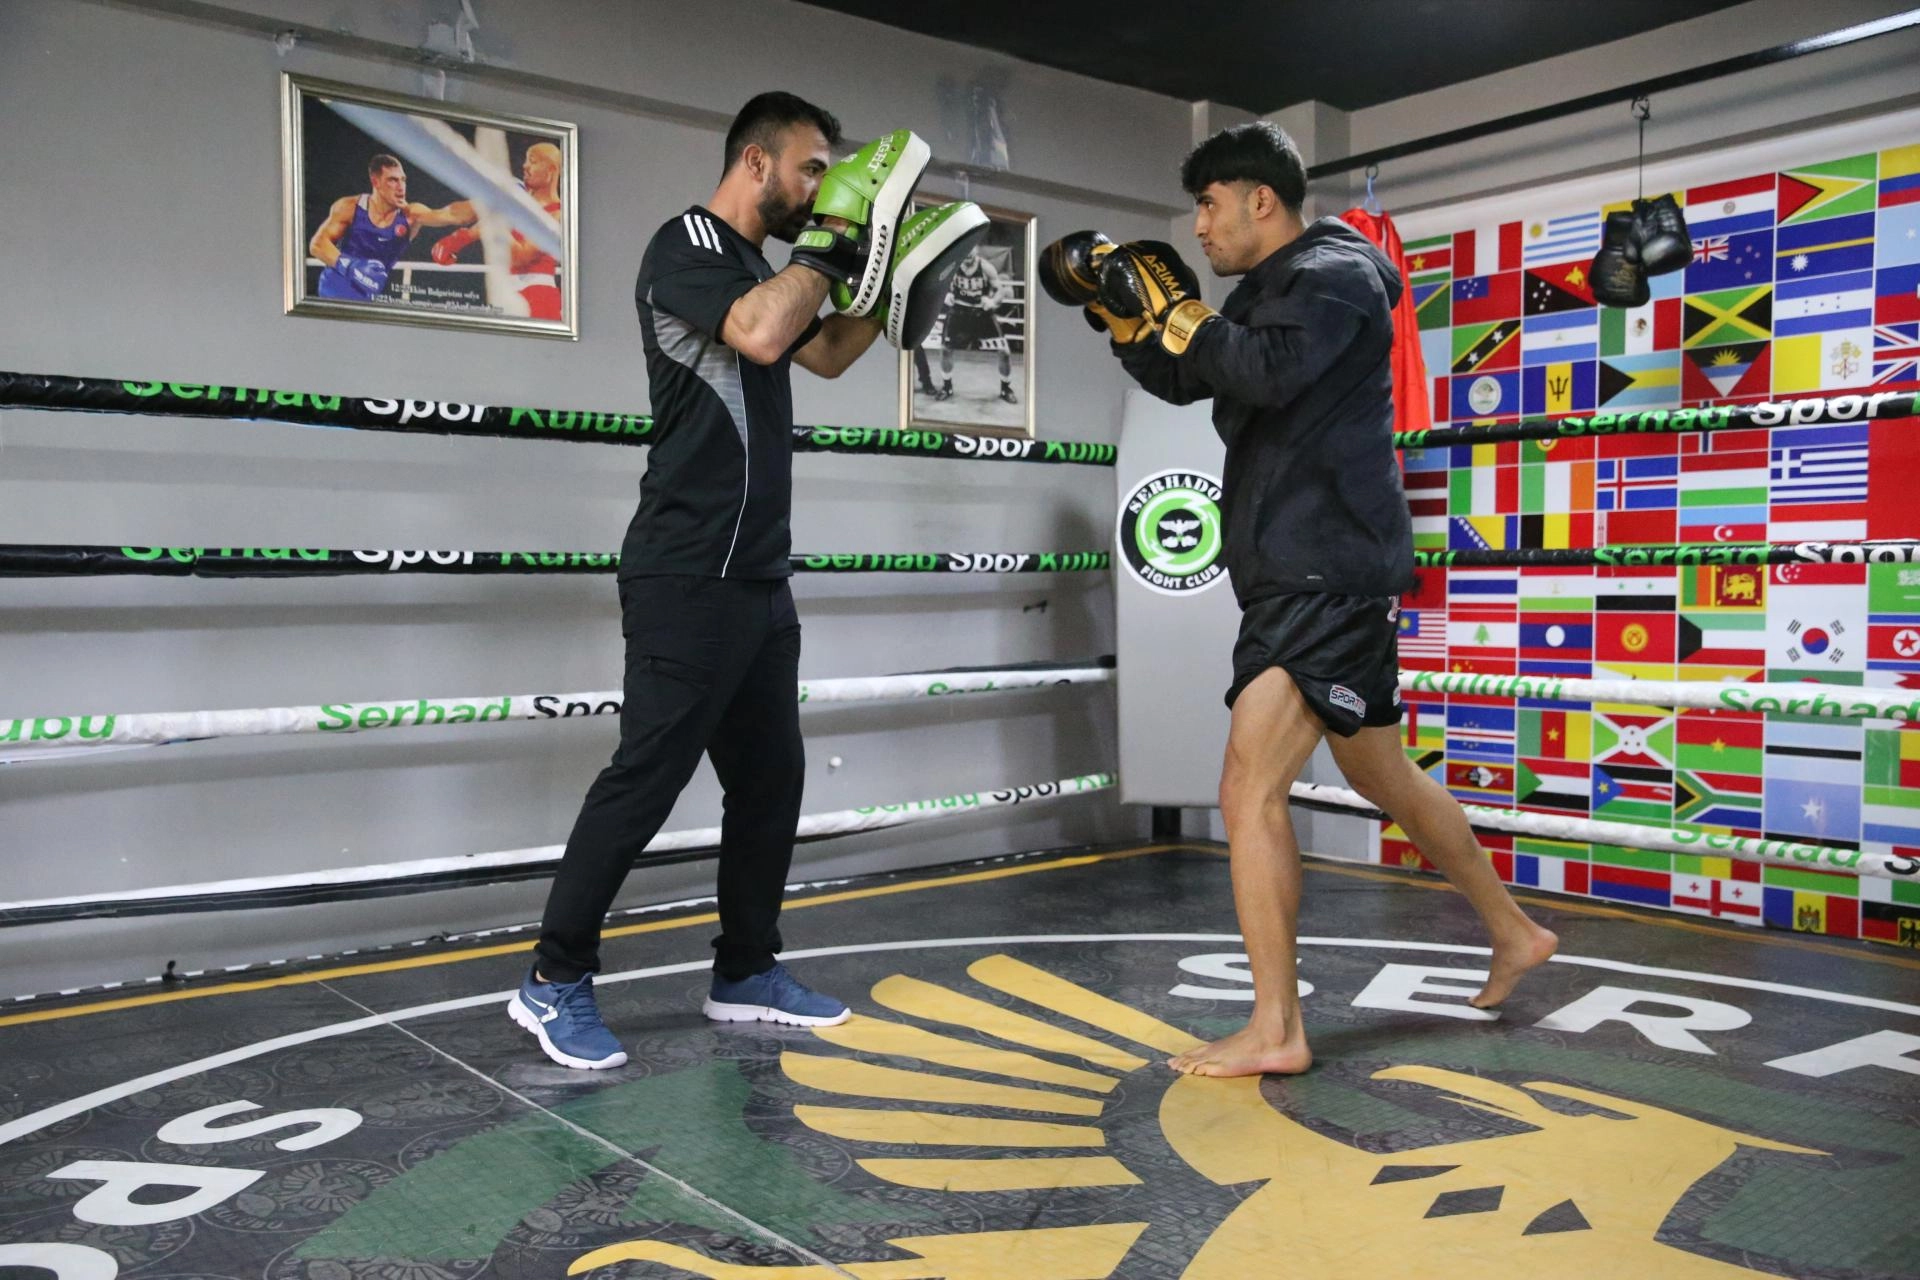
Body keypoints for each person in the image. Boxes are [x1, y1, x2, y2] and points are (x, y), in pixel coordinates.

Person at [1043, 123, 1557, 1078]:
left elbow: (1264, 368)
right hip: (1306, 567)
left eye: (1209, 205)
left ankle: (1277, 1027)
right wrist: (1122, 318)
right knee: (1383, 775)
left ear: (1260, 200)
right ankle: (1515, 931)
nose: (1199, 227)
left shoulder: (1337, 275)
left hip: (1323, 569)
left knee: (1248, 789)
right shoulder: (1271, 290)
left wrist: (1181, 313)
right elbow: (1192, 375)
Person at [509, 92, 927, 1070]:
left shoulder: (762, 271)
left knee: (771, 779)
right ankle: (552, 978)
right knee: (645, 779)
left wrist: (894, 282)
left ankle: (745, 969)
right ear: (756, 162)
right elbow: (762, 333)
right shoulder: (688, 245)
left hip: (757, 576)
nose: (821, 188)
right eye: (812, 168)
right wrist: (830, 245)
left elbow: (825, 352)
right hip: (687, 570)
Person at [431, 141, 566, 319]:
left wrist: (491, 223)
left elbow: (521, 257)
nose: (525, 166)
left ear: (551, 169)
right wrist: (456, 239)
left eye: (533, 161)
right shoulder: (518, 203)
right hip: (505, 292)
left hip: (539, 295)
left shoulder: (559, 213)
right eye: (526, 160)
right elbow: (483, 224)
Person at [308, 154, 471, 301]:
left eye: (403, 180)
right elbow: (318, 244)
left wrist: (483, 201)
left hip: (370, 297)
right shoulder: (350, 207)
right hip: (331, 292)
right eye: (393, 180)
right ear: (375, 182)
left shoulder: (411, 215)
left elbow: (452, 215)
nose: (401, 187)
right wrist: (352, 267)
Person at [935, 252, 1017, 404]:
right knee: (945, 349)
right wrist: (945, 295)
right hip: (959, 312)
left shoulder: (986, 267)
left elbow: (1000, 290)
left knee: (1004, 352)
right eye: (965, 254)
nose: (968, 256)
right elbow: (938, 283)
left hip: (982, 313)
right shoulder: (952, 265)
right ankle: (947, 387)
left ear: (976, 251)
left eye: (971, 254)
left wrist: (992, 302)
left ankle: (1006, 388)